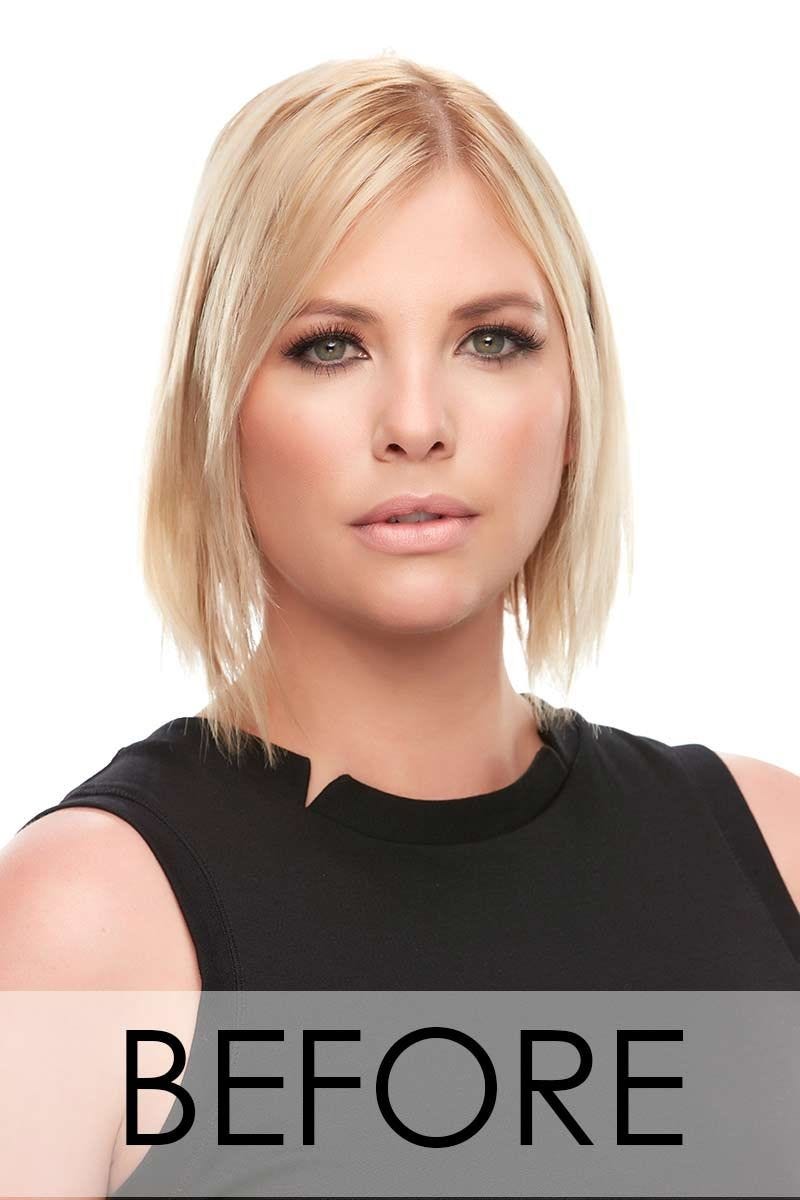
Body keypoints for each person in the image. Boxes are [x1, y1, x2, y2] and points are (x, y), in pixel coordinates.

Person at [1, 52, 799, 1199]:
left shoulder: (768, 852)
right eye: (328, 345)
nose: (416, 423)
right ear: (218, 405)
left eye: (491, 339)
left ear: (573, 400)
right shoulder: (87, 927)